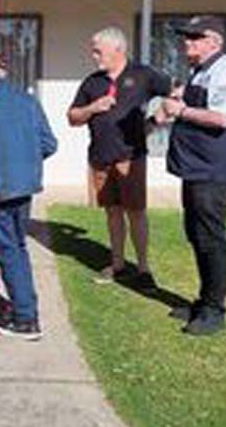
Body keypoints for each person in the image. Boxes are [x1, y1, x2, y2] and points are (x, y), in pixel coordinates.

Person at [157, 16, 226, 336]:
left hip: (214, 172)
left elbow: (223, 118)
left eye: (195, 37)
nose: (187, 42)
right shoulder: (201, 72)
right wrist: (178, 100)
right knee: (197, 235)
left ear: (214, 42)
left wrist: (181, 110)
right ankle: (204, 300)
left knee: (210, 239)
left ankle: (214, 311)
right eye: (186, 36)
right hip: (196, 169)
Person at [67, 26, 172, 288]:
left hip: (130, 157)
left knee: (136, 213)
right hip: (100, 157)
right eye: (93, 51)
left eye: (98, 51)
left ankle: (144, 269)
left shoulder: (143, 75)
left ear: (118, 50)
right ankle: (118, 265)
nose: (94, 56)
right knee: (112, 213)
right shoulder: (92, 82)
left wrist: (158, 118)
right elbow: (72, 117)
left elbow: (176, 90)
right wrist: (93, 107)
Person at [0, 60, 58, 340]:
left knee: (5, 250)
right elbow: (49, 144)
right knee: (17, 248)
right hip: (24, 186)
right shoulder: (27, 100)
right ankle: (24, 311)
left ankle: (25, 318)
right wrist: (24, 161)